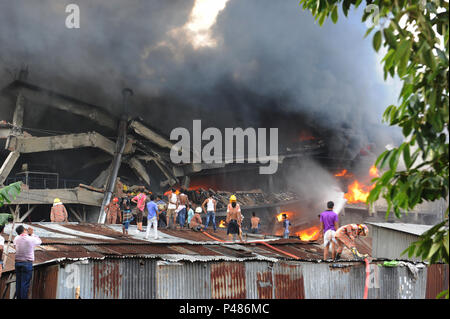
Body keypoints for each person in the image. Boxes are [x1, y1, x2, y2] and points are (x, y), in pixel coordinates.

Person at [13, 225, 42, 299]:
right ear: (24, 230)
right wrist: (32, 234)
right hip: (27, 263)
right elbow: (39, 241)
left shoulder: (16, 238)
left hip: (18, 262)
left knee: (18, 283)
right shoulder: (30, 238)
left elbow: (15, 246)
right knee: (25, 284)